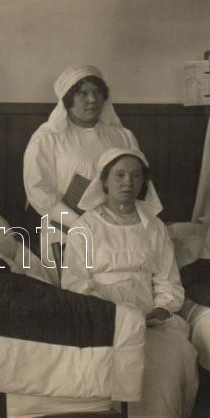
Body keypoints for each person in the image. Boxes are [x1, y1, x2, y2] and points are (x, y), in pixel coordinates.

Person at [62, 148, 198, 418]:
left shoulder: (155, 227)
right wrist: (115, 315)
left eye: (136, 176)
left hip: (150, 318)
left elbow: (168, 281)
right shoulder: (85, 227)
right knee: (111, 354)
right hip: (103, 316)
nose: (128, 182)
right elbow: (76, 284)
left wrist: (161, 309)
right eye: (120, 175)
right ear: (104, 181)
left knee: (174, 352)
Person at [23, 65, 138, 269]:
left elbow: (139, 183)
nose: (92, 99)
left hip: (118, 231)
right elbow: (38, 192)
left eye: (97, 92)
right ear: (67, 99)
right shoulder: (48, 139)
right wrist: (81, 225)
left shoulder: (122, 136)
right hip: (66, 232)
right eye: (82, 93)